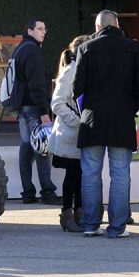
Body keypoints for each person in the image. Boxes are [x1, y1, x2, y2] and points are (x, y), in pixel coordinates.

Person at [72, 10, 139, 238]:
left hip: (92, 119)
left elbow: (77, 87)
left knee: (90, 173)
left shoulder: (86, 48)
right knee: (121, 173)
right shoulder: (133, 49)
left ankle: (90, 224)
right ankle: (117, 227)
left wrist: (85, 110)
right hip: (122, 120)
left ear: (97, 27)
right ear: (117, 24)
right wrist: (129, 108)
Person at [4, 19, 58, 204]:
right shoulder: (33, 51)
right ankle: (47, 191)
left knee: (27, 148)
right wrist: (44, 111)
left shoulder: (21, 48)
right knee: (42, 148)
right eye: (40, 29)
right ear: (29, 30)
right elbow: (37, 85)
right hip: (34, 108)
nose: (44, 32)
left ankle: (28, 192)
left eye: (45, 28)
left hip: (23, 107)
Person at [50, 34, 90, 230]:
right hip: (70, 133)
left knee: (80, 174)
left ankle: (79, 212)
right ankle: (67, 215)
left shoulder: (81, 69)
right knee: (72, 175)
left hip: (78, 132)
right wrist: (77, 122)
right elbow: (57, 103)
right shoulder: (70, 71)